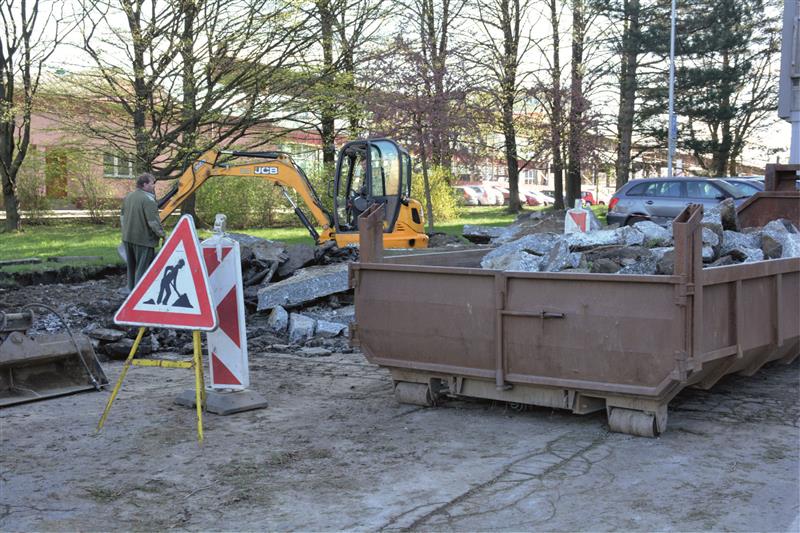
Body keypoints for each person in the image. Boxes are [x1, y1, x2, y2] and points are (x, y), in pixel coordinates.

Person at [121, 173, 165, 291]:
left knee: (131, 268)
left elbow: (122, 217)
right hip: (143, 240)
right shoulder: (148, 200)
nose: (154, 186)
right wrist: (163, 235)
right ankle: (139, 295)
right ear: (145, 184)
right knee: (143, 269)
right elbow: (153, 222)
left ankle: (131, 293)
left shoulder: (129, 197)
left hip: (127, 238)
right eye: (152, 183)